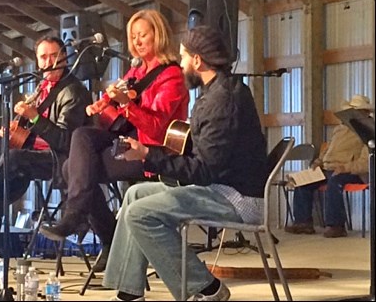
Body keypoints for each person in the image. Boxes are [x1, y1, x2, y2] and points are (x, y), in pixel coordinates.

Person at [100, 25, 268, 301]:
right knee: (134, 194)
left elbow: (202, 171)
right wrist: (149, 150)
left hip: (236, 197)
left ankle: (206, 289)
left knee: (141, 214)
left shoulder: (222, 102)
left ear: (198, 61)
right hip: (221, 186)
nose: (180, 63)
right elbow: (200, 151)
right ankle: (128, 293)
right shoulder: (217, 91)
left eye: (184, 56)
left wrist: (147, 155)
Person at [40, 9, 190, 272]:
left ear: (159, 35)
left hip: (152, 152)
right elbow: (118, 118)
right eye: (133, 36)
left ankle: (95, 229)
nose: (138, 41)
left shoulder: (171, 76)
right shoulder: (135, 72)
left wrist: (126, 105)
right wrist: (105, 106)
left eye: (143, 35)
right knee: (82, 136)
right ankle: (92, 228)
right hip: (128, 141)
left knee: (71, 169)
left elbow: (156, 128)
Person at [0, 35, 92, 279]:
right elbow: (34, 130)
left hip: (62, 162)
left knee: (11, 160)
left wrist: (34, 118)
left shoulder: (73, 91)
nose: (48, 62)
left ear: (64, 57)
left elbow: (66, 141)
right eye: (43, 57)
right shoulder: (41, 88)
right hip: (32, 158)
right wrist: (16, 131)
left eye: (53, 56)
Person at [285, 94, 373, 238]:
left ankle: (336, 225)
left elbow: (366, 162)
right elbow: (328, 150)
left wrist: (346, 167)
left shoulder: (367, 131)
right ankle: (303, 222)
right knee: (302, 181)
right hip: (329, 169)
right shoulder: (339, 129)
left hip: (352, 172)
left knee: (334, 182)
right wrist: (319, 161)